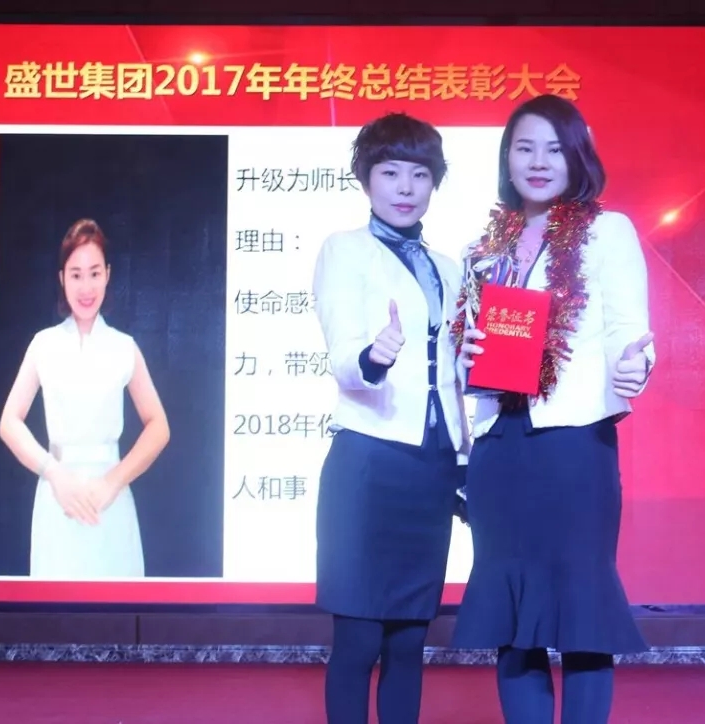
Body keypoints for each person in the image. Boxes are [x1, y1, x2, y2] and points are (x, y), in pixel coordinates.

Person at [450, 95, 656, 724]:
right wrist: (465, 351)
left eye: (554, 148)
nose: (538, 162)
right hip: (499, 447)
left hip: (573, 445)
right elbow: (463, 352)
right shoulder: (483, 248)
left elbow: (630, 332)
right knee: (513, 617)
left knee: (582, 610)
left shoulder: (607, 231)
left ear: (577, 157)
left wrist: (636, 367)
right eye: (524, 148)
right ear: (507, 159)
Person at [311, 113, 470, 724]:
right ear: (366, 178)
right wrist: (373, 357)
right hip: (369, 464)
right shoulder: (343, 249)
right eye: (390, 172)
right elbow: (342, 355)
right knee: (358, 641)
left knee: (409, 644)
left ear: (435, 183)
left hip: (432, 469)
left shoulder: (451, 267)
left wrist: (466, 458)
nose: (405, 187)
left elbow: (457, 374)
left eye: (419, 175)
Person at [0, 219, 170, 580]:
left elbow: (159, 427)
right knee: (55, 607)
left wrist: (113, 481)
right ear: (62, 278)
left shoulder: (124, 347)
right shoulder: (44, 344)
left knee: (117, 607)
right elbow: (9, 422)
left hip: (111, 501)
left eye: (94, 273)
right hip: (57, 498)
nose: (86, 286)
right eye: (76, 275)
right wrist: (53, 473)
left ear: (108, 274)